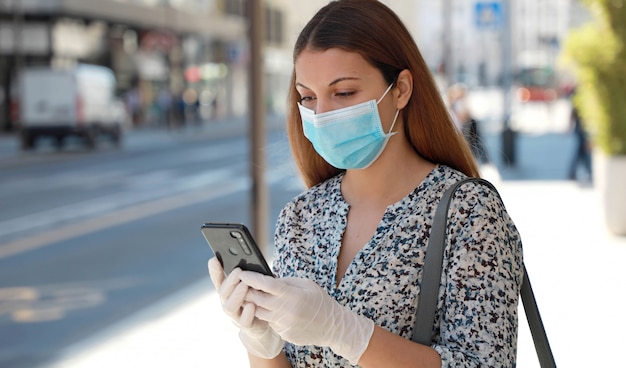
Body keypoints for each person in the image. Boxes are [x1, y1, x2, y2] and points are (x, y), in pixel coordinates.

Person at [208, 1, 523, 367]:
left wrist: (345, 331)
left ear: (401, 89)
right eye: (307, 97)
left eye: (343, 93)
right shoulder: (300, 218)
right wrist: (260, 340)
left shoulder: (468, 212)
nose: (321, 114)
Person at [447, 83, 490, 164]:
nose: (459, 102)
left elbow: (478, 143)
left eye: (461, 98)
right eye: (456, 99)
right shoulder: (446, 119)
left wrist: (486, 162)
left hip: (468, 162)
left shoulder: (471, 121)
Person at [568, 102, 593, 182]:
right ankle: (587, 171)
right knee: (582, 152)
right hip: (581, 129)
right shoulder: (580, 99)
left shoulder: (581, 98)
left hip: (582, 129)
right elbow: (573, 114)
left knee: (581, 152)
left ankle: (574, 172)